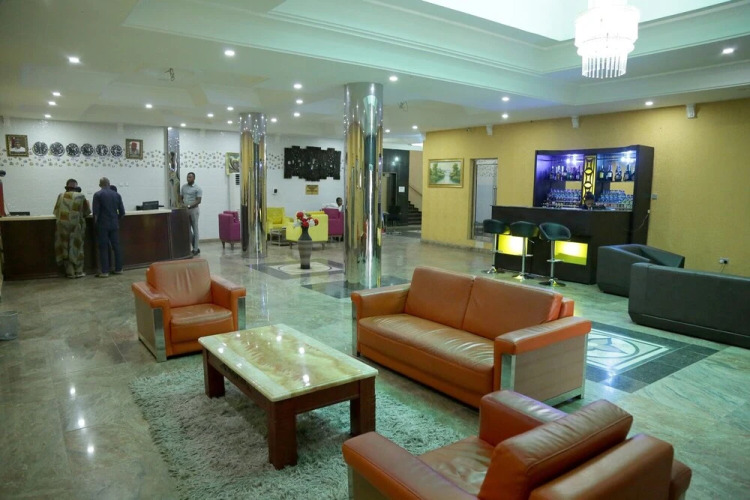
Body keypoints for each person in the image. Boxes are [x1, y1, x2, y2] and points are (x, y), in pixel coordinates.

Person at [53, 178, 91, 278]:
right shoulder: (80, 196)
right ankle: (78, 271)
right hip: (76, 226)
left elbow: (56, 211)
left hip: (62, 226)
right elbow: (87, 212)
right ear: (76, 187)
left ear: (67, 187)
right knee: (77, 247)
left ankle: (70, 272)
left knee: (65, 247)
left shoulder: (60, 196)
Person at [92, 177, 126, 277]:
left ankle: (105, 271)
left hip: (102, 224)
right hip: (114, 224)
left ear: (100, 185)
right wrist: (116, 219)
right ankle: (119, 269)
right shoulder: (117, 195)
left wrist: (95, 225)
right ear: (109, 184)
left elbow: (96, 213)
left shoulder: (97, 195)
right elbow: (122, 212)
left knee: (103, 247)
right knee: (116, 246)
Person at [180, 171, 202, 255]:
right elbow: (180, 198)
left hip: (194, 210)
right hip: (185, 210)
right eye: (187, 177)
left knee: (195, 229)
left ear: (194, 178)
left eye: (190, 177)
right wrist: (182, 204)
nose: (188, 178)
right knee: (188, 230)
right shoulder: (183, 187)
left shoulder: (198, 188)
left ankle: (195, 249)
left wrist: (189, 206)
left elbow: (198, 201)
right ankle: (194, 246)